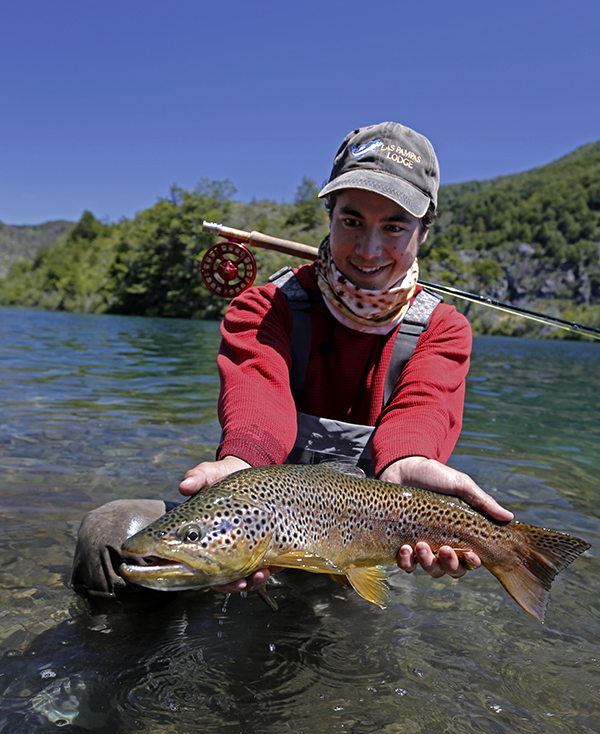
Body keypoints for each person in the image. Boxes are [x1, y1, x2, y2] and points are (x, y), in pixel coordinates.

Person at [71, 121, 512, 600]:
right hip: (267, 525)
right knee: (110, 535)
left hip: (372, 542)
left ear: (424, 230)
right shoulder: (264, 307)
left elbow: (421, 410)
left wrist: (408, 461)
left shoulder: (443, 329)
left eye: (394, 227)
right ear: (329, 215)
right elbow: (259, 398)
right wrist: (243, 463)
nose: (368, 250)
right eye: (352, 221)